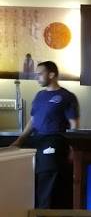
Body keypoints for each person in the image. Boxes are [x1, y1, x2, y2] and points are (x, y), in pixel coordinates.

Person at [9, 61, 80, 209]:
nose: (37, 77)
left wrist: (73, 149)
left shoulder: (66, 96)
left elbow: (74, 124)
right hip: (37, 138)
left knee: (47, 173)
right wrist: (19, 140)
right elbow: (33, 120)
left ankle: (46, 214)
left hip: (55, 139)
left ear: (52, 74)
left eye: (40, 74)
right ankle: (32, 213)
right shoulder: (40, 96)